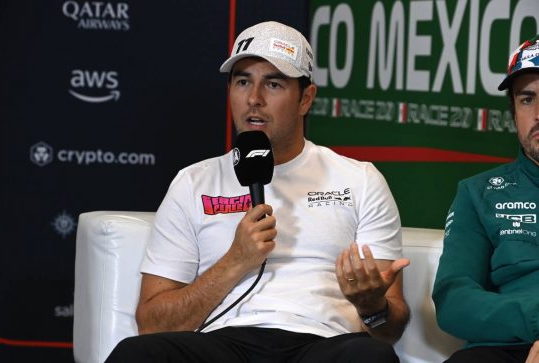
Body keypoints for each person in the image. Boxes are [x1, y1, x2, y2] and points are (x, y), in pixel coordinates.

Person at [105, 21, 410, 363]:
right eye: (243, 81)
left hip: (322, 343)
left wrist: (372, 307)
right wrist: (236, 260)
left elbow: (390, 329)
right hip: (222, 346)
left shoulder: (359, 180)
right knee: (138, 354)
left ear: (306, 99)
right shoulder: (193, 182)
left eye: (273, 84)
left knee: (372, 357)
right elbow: (152, 324)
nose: (254, 99)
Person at [432, 34, 539, 363]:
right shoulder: (479, 192)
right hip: (503, 347)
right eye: (527, 99)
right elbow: (454, 301)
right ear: (513, 112)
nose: (538, 113)